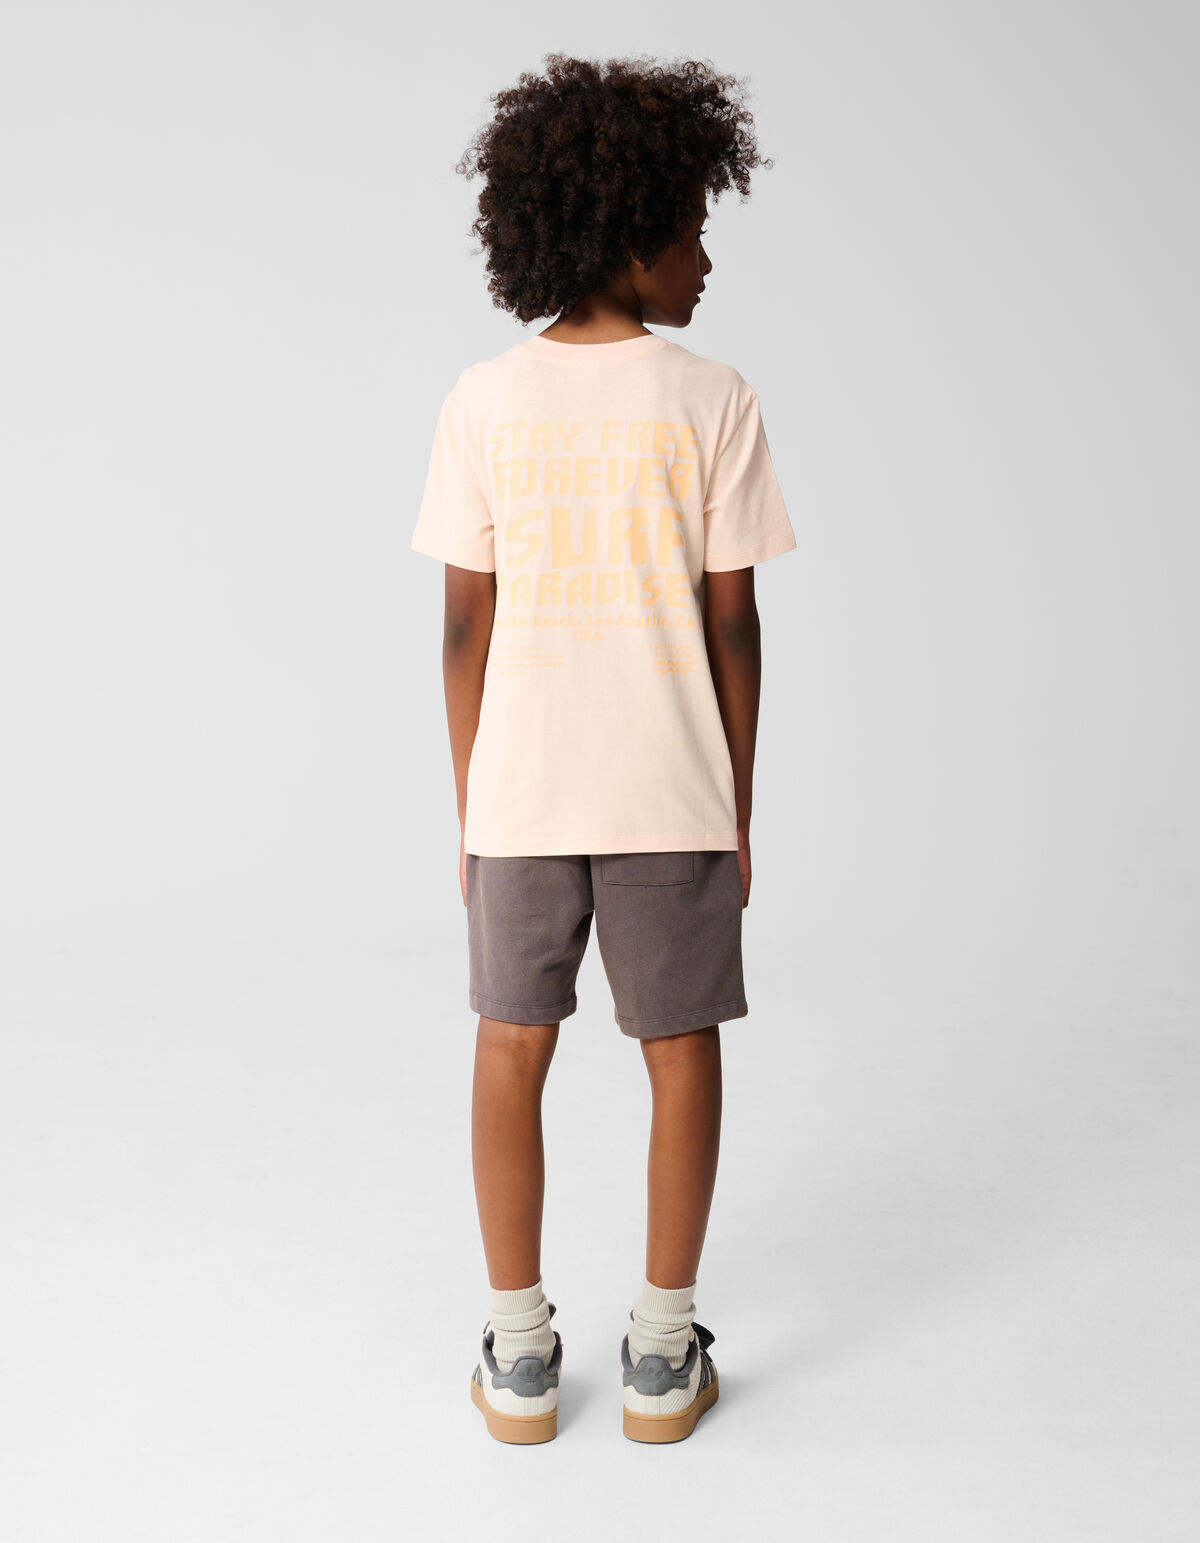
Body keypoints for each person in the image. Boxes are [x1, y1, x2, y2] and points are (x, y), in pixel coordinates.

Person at [411, 53, 796, 1445]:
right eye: (691, 229)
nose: (706, 259)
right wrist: (736, 799)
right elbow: (733, 625)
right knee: (679, 1052)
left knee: (510, 1044)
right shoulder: (714, 398)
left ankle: (520, 1358)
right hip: (671, 788)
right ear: (630, 233)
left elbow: (464, 626)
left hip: (519, 791)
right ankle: (659, 1354)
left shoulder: (483, 398)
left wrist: (473, 802)